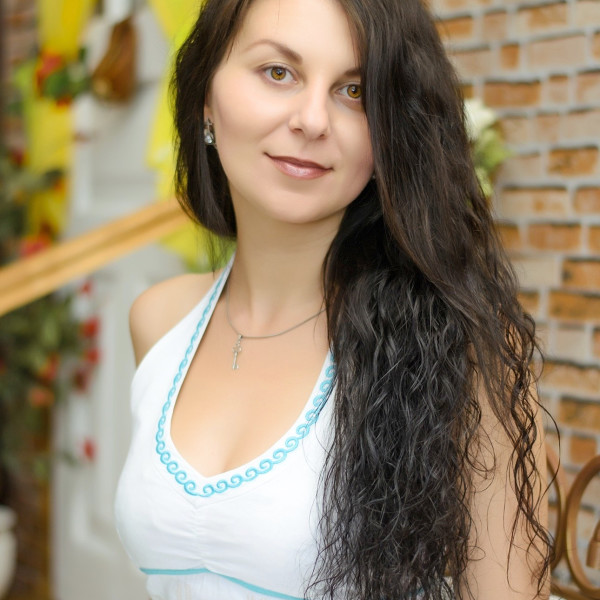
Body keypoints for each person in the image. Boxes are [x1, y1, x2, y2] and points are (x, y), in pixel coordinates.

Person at [114, 0, 552, 598]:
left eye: (354, 91)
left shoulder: (463, 347)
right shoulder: (160, 320)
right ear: (206, 98)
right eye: (278, 72)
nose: (313, 120)